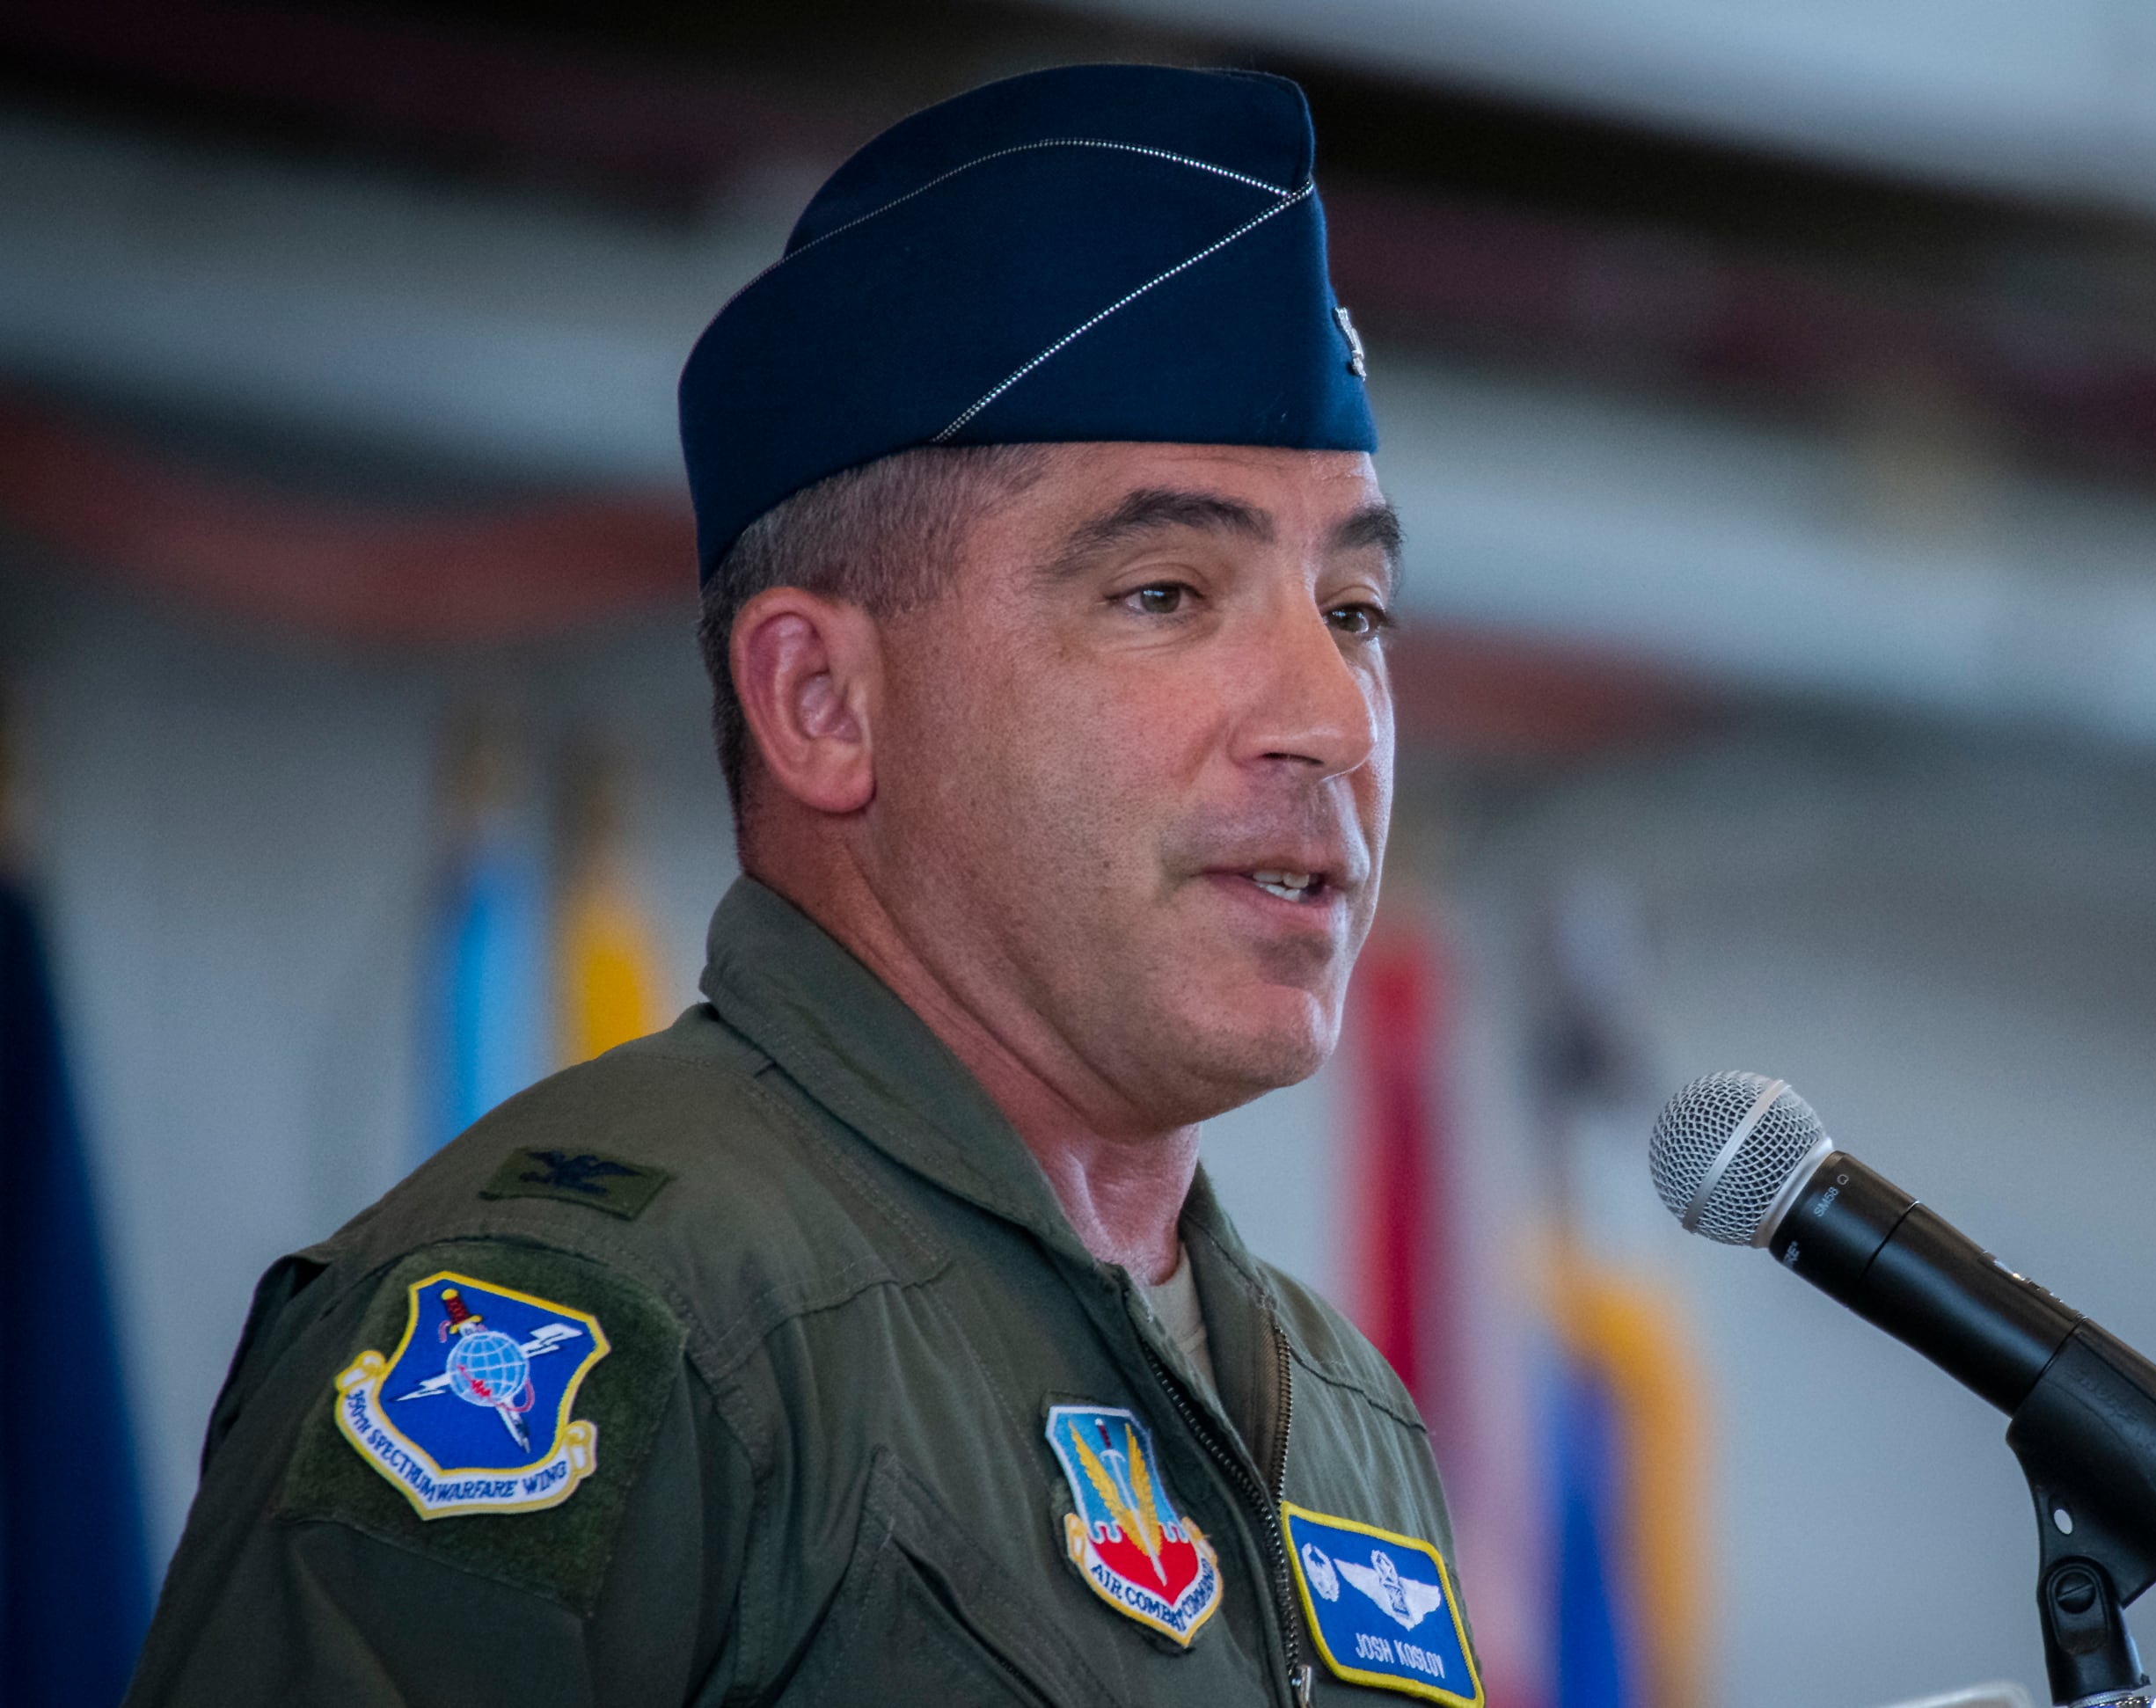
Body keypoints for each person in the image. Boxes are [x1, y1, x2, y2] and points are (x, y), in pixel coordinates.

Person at [126, 64, 1480, 1708]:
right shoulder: (608, 1331)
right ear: (824, 705)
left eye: (1355, 612)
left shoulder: (1342, 1423)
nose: (1335, 720)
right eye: (1164, 591)